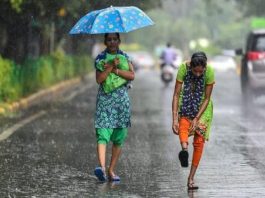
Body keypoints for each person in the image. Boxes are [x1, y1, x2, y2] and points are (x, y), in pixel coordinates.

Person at [93, 33, 135, 182]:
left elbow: (131, 75)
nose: (112, 42)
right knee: (102, 133)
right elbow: (99, 79)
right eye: (109, 40)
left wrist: (117, 70)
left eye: (114, 39)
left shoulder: (125, 56)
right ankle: (102, 168)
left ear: (119, 41)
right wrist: (110, 67)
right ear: (105, 42)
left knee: (118, 137)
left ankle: (111, 170)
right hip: (105, 101)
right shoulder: (100, 58)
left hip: (121, 102)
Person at [171, 51, 215, 190]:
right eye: (195, 71)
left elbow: (207, 98)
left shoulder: (210, 72)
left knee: (199, 142)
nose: (197, 74)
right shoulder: (183, 68)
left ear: (205, 67)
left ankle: (191, 179)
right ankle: (184, 150)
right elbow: (177, 94)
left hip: (203, 107)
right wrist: (174, 119)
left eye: (200, 72)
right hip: (187, 101)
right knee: (182, 125)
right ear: (191, 67)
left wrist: (197, 118)